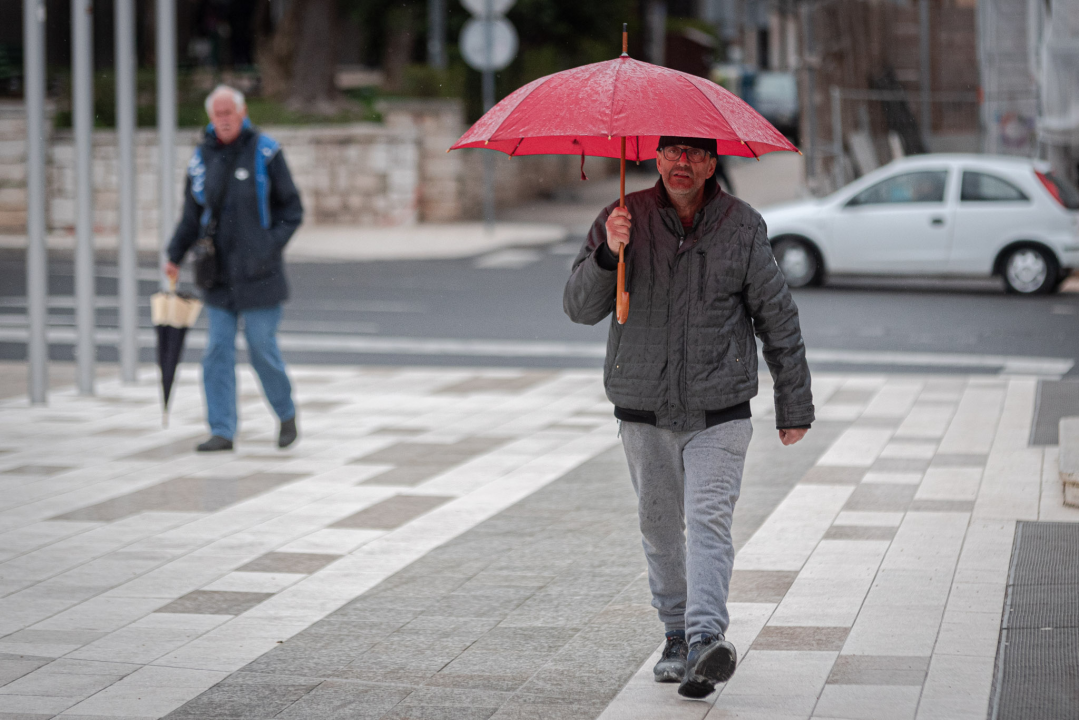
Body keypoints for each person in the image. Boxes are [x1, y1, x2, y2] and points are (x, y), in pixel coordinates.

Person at [563, 136, 813, 698]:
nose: (682, 163)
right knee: (659, 527)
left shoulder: (742, 226)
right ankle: (675, 636)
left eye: (695, 153)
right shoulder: (622, 216)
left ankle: (704, 640)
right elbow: (579, 308)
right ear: (655, 158)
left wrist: (793, 404)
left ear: (712, 161)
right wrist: (609, 252)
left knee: (706, 523)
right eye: (672, 151)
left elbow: (778, 318)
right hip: (642, 404)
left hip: (719, 407)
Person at [165, 85, 304, 452]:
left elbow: (292, 210)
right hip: (218, 274)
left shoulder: (267, 152)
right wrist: (174, 254)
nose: (224, 120)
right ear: (211, 119)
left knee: (261, 347)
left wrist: (268, 245)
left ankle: (285, 412)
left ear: (242, 114)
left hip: (261, 274)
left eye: (230, 114)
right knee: (217, 350)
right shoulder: (201, 158)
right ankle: (222, 429)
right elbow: (191, 215)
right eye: (218, 115)